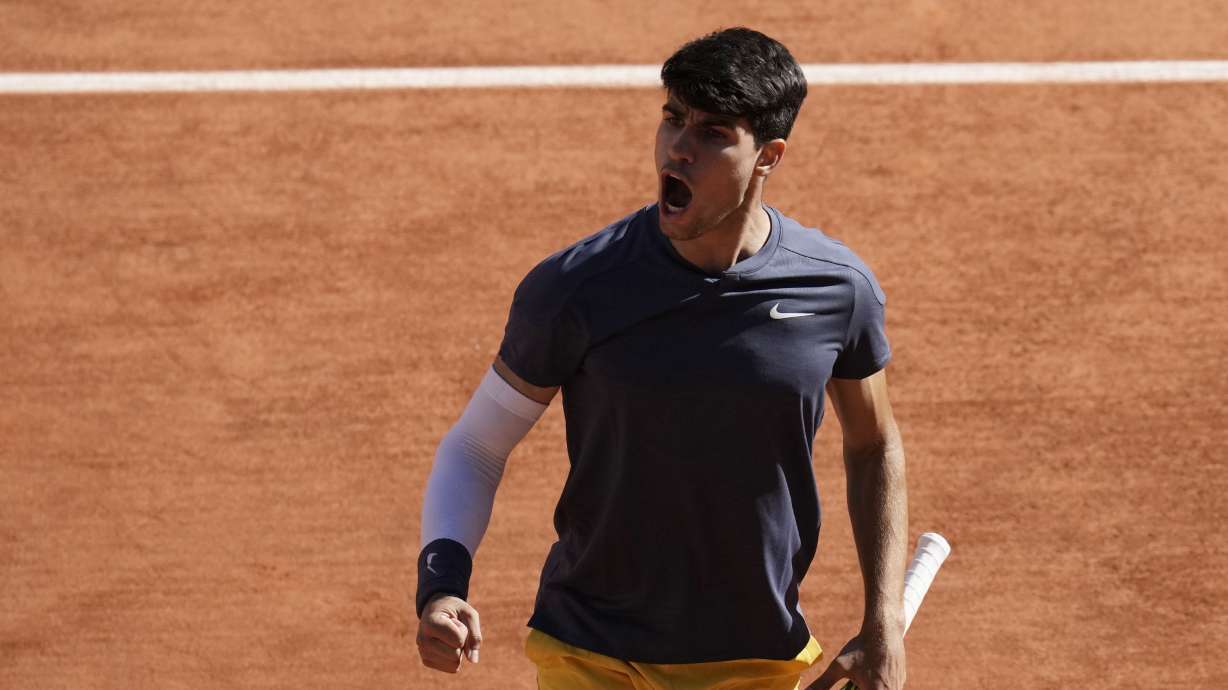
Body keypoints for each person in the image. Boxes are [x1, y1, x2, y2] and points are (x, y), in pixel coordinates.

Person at [414, 27, 909, 690]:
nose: (679, 147)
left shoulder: (835, 290)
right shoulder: (578, 287)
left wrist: (883, 622)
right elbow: (477, 446)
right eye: (673, 118)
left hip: (749, 653)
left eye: (713, 132)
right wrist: (442, 584)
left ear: (768, 155)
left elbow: (873, 444)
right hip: (589, 647)